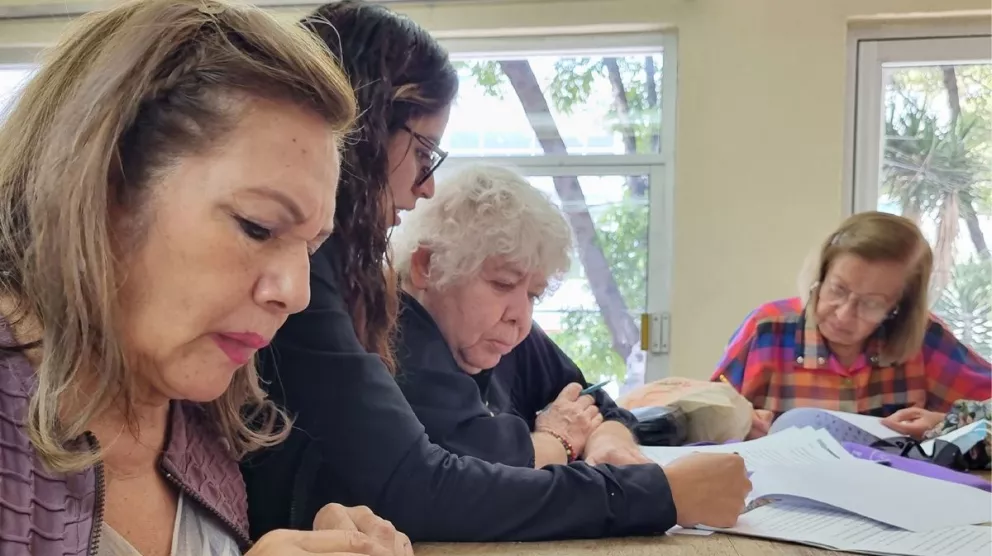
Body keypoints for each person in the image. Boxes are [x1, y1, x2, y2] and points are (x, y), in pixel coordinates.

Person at [243, 0, 751, 543]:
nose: (426, 184)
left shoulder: (344, 272)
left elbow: (575, 396)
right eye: (424, 152)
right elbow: (419, 485)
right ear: (365, 130)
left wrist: (603, 438)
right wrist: (659, 494)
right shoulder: (320, 278)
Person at [0, 1, 410, 554]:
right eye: (258, 227)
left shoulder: (199, 416)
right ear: (97, 188)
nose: (295, 293)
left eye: (311, 248)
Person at [391, 164, 658, 469]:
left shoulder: (503, 338)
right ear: (428, 265)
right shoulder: (390, 340)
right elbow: (473, 470)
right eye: (502, 284)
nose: (522, 317)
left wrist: (608, 442)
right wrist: (558, 441)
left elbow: (594, 404)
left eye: (533, 295)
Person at [712, 211, 991, 439]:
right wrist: (735, 423)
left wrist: (946, 424)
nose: (844, 315)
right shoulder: (767, 329)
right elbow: (695, 420)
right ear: (820, 275)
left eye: (871, 303)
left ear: (899, 308)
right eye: (837, 290)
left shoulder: (924, 339)